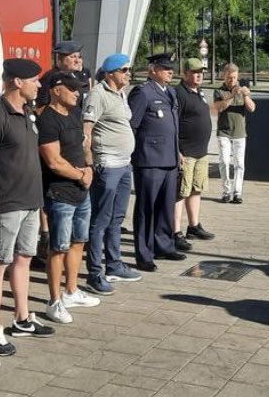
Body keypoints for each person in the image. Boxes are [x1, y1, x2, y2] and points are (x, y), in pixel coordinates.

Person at [0, 58, 55, 358]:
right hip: (6, 203)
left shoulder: (27, 111)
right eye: (34, 80)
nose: (39, 84)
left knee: (23, 259)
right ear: (17, 82)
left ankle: (22, 318)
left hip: (31, 201)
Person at [37, 71, 100, 324]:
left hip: (81, 188)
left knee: (78, 241)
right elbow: (53, 161)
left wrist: (89, 168)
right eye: (72, 88)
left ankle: (72, 290)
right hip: (60, 192)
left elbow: (85, 146)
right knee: (58, 247)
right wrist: (79, 175)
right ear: (56, 89)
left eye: (79, 88)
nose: (78, 92)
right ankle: (54, 301)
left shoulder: (74, 114)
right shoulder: (48, 120)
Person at [82, 53, 142, 295]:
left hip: (124, 165)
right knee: (100, 220)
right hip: (106, 165)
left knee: (117, 218)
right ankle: (95, 272)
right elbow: (86, 131)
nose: (129, 73)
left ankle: (114, 265)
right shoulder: (97, 94)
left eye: (129, 69)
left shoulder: (121, 92)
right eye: (124, 70)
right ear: (110, 73)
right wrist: (89, 163)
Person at [128, 53, 186, 272]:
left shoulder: (170, 92)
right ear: (152, 70)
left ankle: (164, 244)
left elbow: (173, 127)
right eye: (164, 68)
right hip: (149, 159)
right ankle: (144, 253)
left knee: (165, 206)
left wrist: (177, 151)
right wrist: (133, 154)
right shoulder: (142, 92)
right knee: (146, 208)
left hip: (169, 158)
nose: (170, 71)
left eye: (171, 68)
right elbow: (132, 125)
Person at [173, 58, 215, 250]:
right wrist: (178, 151)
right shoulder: (179, 93)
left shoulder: (200, 92)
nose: (199, 75)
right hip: (186, 152)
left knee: (196, 189)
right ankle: (175, 232)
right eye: (195, 71)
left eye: (201, 72)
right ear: (185, 73)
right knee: (181, 192)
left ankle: (194, 226)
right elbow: (173, 124)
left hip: (201, 152)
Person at [215, 63, 256, 204]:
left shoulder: (242, 90)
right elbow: (219, 108)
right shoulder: (219, 91)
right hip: (224, 131)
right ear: (223, 76)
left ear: (237, 77)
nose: (232, 81)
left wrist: (245, 96)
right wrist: (232, 95)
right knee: (224, 161)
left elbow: (252, 108)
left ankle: (237, 192)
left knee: (239, 163)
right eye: (229, 78)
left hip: (239, 132)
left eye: (234, 78)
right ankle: (226, 191)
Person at [37, 40, 92, 109]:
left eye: (78, 57)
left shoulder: (77, 75)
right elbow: (42, 106)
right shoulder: (50, 77)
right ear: (60, 59)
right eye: (73, 57)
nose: (77, 60)